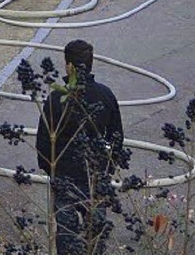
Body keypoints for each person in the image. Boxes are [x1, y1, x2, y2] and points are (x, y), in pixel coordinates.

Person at [36, 40, 124, 255]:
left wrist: (51, 169)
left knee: (66, 233)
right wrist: (107, 168)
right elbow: (117, 138)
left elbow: (44, 141)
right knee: (95, 232)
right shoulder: (105, 95)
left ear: (69, 66)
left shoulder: (57, 98)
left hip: (65, 173)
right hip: (95, 174)